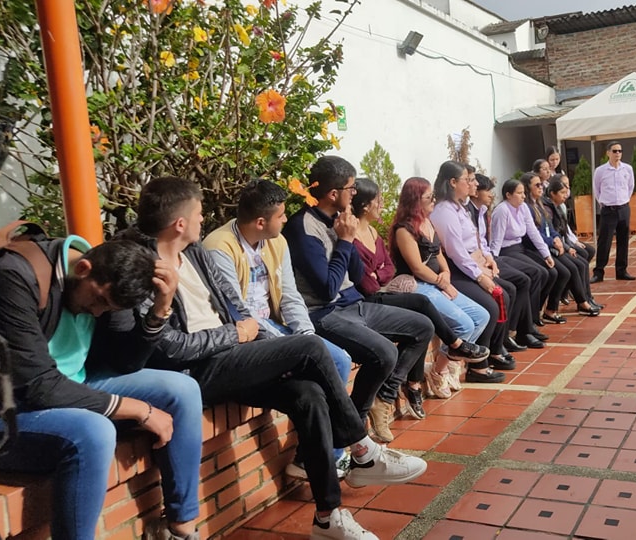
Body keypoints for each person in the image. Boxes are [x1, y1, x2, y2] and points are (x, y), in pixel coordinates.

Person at [130, 176, 427, 539]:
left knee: (309, 395)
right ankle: (362, 448)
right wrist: (235, 334)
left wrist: (244, 332)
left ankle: (327, 517)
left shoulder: (194, 254)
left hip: (234, 354)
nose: (203, 219)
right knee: (312, 347)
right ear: (179, 223)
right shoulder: (143, 266)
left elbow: (235, 304)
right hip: (196, 371)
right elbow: (169, 347)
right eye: (198, 213)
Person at [0, 237, 202, 540]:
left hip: (72, 382)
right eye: (101, 301)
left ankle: (180, 530)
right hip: (8, 405)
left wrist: (161, 307)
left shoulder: (108, 282)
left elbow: (124, 363)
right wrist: (137, 409)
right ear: (84, 268)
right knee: (94, 432)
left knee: (182, 390)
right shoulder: (14, 277)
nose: (100, 313)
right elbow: (38, 386)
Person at [201, 179, 354, 478]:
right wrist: (295, 347)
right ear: (261, 222)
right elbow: (237, 312)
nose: (287, 219)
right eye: (282, 215)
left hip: (275, 326)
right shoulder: (218, 248)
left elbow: (289, 295)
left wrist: (306, 337)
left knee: (339, 359)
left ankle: (317, 456)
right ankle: (329, 455)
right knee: (324, 365)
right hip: (245, 335)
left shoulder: (277, 242)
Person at [282, 156, 436, 444]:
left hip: (353, 304)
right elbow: (327, 290)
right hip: (323, 313)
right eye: (351, 189)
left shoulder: (339, 221)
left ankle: (366, 412)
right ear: (333, 194)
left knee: (422, 326)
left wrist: (349, 237)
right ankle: (356, 430)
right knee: (384, 354)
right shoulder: (303, 229)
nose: (354, 194)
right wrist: (346, 241)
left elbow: (356, 274)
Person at [349, 177, 489, 404]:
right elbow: (412, 269)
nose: (433, 200)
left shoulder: (425, 223)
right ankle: (435, 372)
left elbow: (392, 267)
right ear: (415, 201)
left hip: (437, 281)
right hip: (419, 284)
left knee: (482, 315)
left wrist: (446, 274)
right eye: (428, 197)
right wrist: (440, 282)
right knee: (454, 324)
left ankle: (446, 365)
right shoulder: (404, 230)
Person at [429, 161, 512, 382]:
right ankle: (479, 367)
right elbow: (457, 252)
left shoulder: (459, 207)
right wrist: (480, 276)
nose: (472, 183)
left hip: (469, 265)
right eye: (468, 179)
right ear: (453, 182)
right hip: (456, 270)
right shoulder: (443, 212)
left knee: (505, 293)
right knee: (491, 305)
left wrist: (485, 264)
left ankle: (492, 351)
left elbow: (474, 243)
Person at [467, 174, 546, 359]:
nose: (491, 195)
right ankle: (506, 336)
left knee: (533, 275)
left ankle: (524, 329)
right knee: (511, 287)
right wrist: (489, 263)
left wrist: (489, 259)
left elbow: (483, 243)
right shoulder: (479, 211)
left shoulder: (481, 210)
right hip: (492, 258)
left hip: (489, 258)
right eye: (487, 190)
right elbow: (489, 243)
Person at [491, 176, 567, 326]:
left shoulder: (523, 207)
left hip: (520, 248)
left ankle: (535, 311)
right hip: (507, 251)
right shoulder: (502, 210)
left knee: (550, 272)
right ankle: (527, 321)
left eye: (524, 193)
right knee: (536, 273)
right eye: (519, 193)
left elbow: (533, 232)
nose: (523, 196)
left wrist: (546, 254)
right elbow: (496, 240)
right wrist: (494, 262)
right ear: (508, 195)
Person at [525, 173, 599, 317]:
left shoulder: (540, 204)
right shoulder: (529, 207)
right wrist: (555, 243)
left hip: (552, 245)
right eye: (537, 185)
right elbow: (534, 233)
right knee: (566, 270)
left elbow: (553, 228)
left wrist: (558, 239)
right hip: (539, 248)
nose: (541, 187)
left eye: (541, 184)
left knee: (580, 262)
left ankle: (584, 300)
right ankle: (551, 309)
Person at [545, 175, 603, 311]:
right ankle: (582, 300)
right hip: (551, 248)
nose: (566, 195)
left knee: (583, 259)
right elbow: (550, 233)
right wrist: (567, 247)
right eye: (563, 192)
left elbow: (563, 230)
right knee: (577, 263)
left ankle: (587, 298)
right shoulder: (547, 209)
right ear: (552, 193)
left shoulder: (558, 207)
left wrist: (571, 244)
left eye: (567, 191)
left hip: (560, 244)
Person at [592, 141, 636, 282]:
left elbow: (630, 187)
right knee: (604, 241)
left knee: (623, 241)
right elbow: (596, 190)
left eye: (620, 151)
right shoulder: (600, 171)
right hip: (608, 210)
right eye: (615, 151)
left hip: (623, 208)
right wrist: (604, 202)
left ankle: (621, 271)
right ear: (608, 153)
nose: (617, 154)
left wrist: (624, 200)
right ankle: (599, 272)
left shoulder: (627, 169)